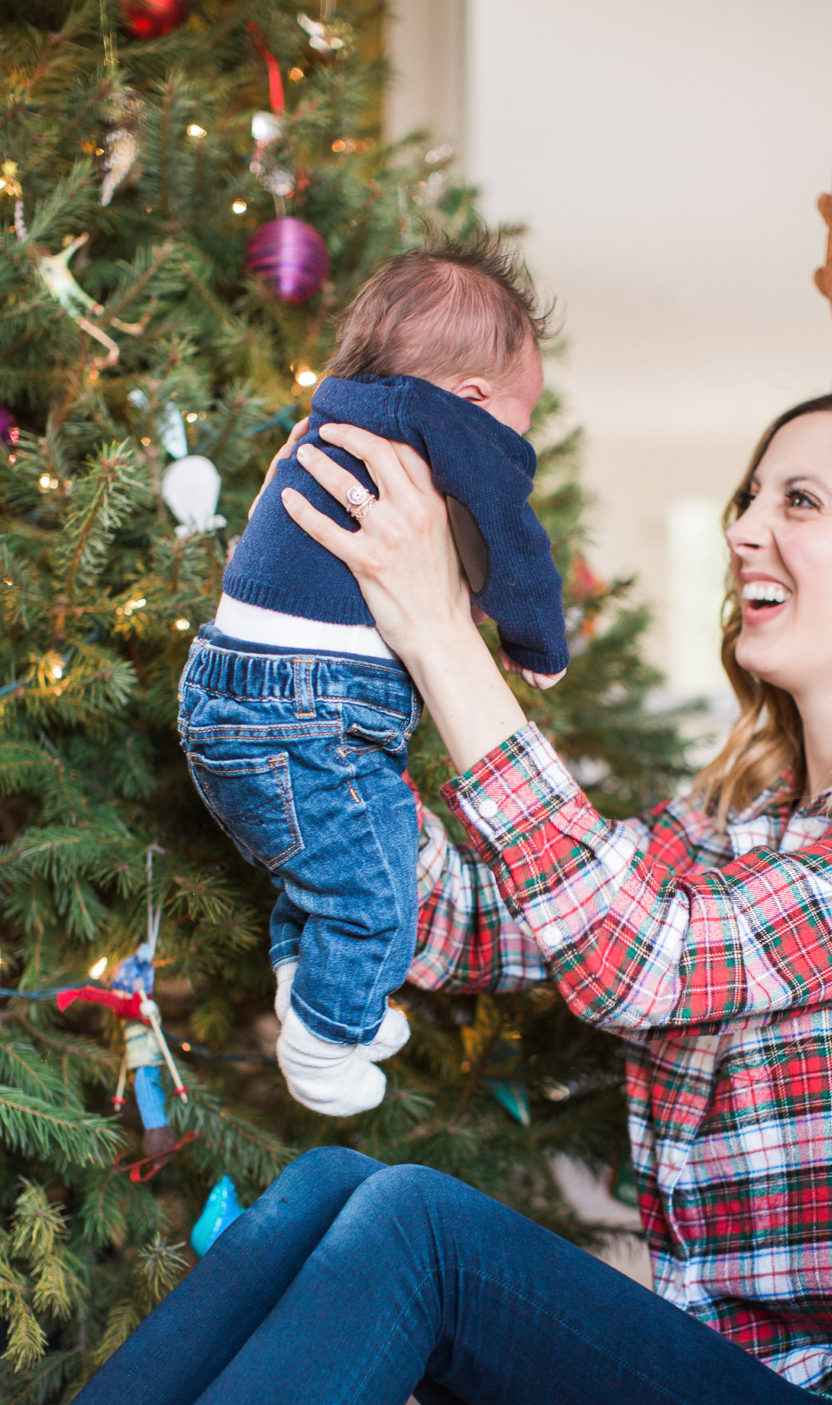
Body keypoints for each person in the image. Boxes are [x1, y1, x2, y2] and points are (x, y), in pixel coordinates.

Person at [0, 184, 832, 1405]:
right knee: (330, 1193)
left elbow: (655, 960)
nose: (748, 528)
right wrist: (289, 741)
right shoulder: (729, 831)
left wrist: (447, 632)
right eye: (751, 494)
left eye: (799, 501)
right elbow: (473, 920)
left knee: (423, 1237)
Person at [178, 234, 567, 1119]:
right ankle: (323, 1042)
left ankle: (320, 995)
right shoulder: (448, 428)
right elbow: (513, 540)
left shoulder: (332, 418)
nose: (518, 444)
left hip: (224, 693)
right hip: (306, 709)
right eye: (522, 420)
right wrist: (538, 640)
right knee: (376, 888)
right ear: (471, 402)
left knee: (334, 854)